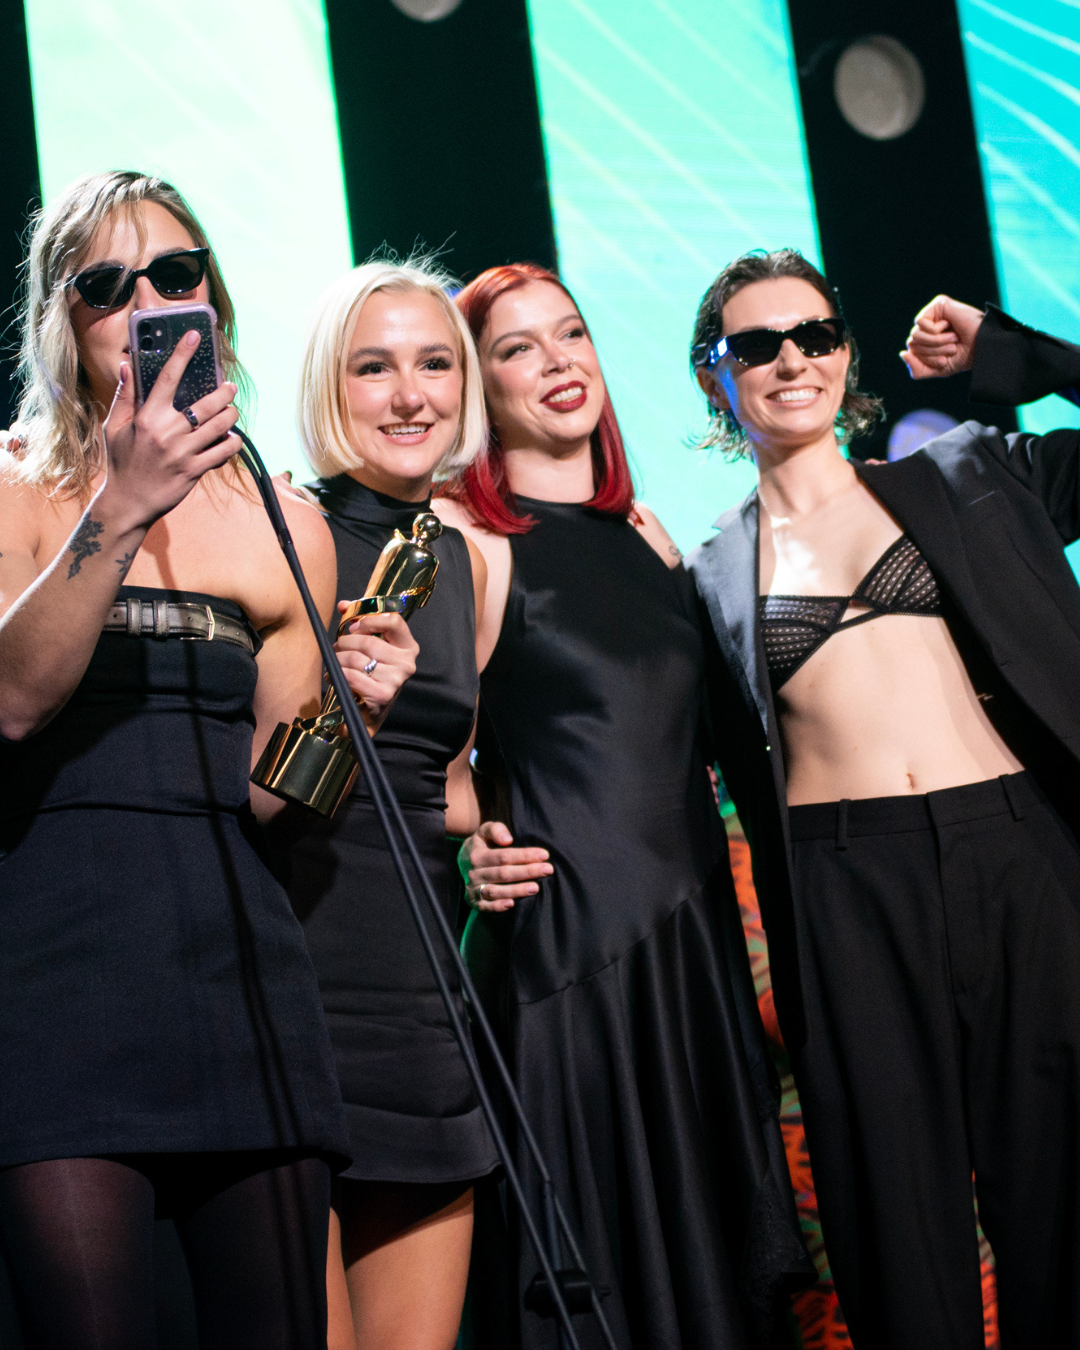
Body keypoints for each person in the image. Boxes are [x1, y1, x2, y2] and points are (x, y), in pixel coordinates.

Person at [0, 170, 417, 1350]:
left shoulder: (283, 520)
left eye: (174, 276)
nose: (147, 306)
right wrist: (123, 505)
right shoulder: (13, 485)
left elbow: (271, 797)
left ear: (213, 301)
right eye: (107, 286)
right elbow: (14, 704)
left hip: (237, 972)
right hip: (53, 975)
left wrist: (355, 719)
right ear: (63, 320)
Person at [687, 248, 1080, 1350]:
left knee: (1064, 1201)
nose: (792, 361)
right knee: (896, 1228)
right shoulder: (708, 575)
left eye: (814, 335)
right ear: (715, 375)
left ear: (847, 353)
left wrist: (1019, 355)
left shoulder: (969, 473)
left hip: (1018, 855)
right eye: (757, 345)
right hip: (848, 893)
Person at [435, 263, 810, 1350]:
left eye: (571, 334)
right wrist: (468, 848)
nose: (558, 363)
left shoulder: (649, 533)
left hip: (693, 959)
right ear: (479, 384)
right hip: (572, 969)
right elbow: (417, 763)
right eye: (518, 348)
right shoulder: (468, 541)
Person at [285, 259, 498, 1350]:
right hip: (298, 984)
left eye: (435, 365)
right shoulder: (285, 529)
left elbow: (445, 783)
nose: (411, 396)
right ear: (331, 385)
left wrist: (492, 841)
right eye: (375, 368)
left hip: (422, 1001)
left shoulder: (465, 562)